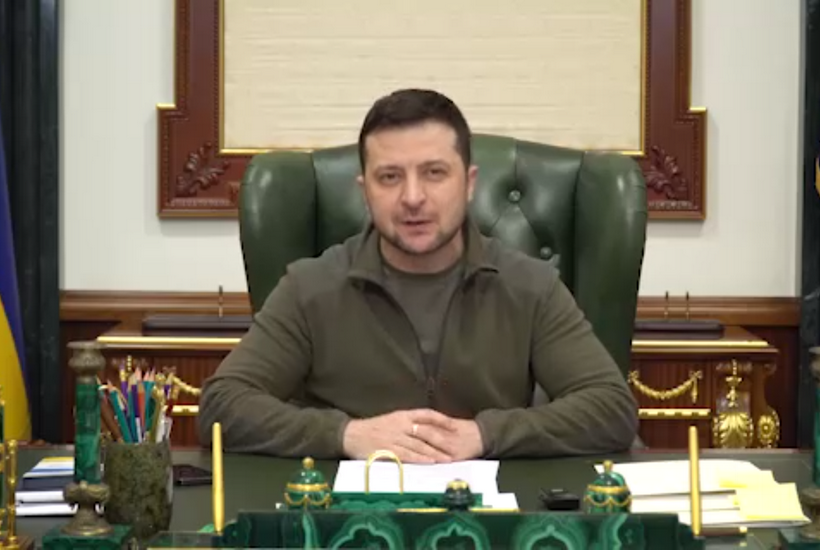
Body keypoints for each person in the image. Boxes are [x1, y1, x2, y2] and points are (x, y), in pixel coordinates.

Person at [197, 88, 638, 462]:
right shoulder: (311, 286)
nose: (412, 197)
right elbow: (222, 406)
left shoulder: (529, 285)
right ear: (365, 191)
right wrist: (346, 435)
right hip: (343, 515)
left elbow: (611, 408)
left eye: (434, 173)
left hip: (489, 514)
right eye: (389, 177)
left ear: (469, 184)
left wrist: (485, 434)